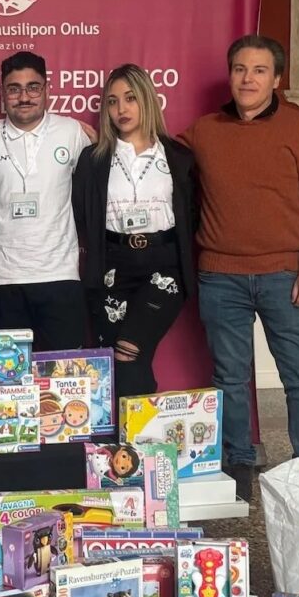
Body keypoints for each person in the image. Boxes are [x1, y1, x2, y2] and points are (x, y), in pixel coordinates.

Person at [181, 34, 299, 502]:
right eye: (240, 69)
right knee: (229, 377)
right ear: (230, 75)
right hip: (219, 276)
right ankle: (238, 462)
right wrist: (102, 137)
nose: (247, 79)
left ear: (277, 79)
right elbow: (151, 154)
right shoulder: (204, 131)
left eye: (259, 70)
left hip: (284, 277)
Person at [72, 64, 198, 401]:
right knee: (116, 360)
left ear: (147, 99)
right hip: (112, 265)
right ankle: (136, 430)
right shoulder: (93, 159)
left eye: (130, 98)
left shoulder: (179, 156)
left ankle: (135, 430)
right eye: (112, 101)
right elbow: (82, 214)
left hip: (164, 264)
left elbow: (193, 214)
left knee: (129, 349)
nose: (121, 109)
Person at [0, 51, 91, 351]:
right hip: (4, 278)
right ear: (3, 93)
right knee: (7, 375)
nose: (24, 97)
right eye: (14, 89)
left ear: (46, 89)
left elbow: (96, 184)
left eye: (33, 87)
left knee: (67, 372)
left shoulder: (71, 132)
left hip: (60, 275)